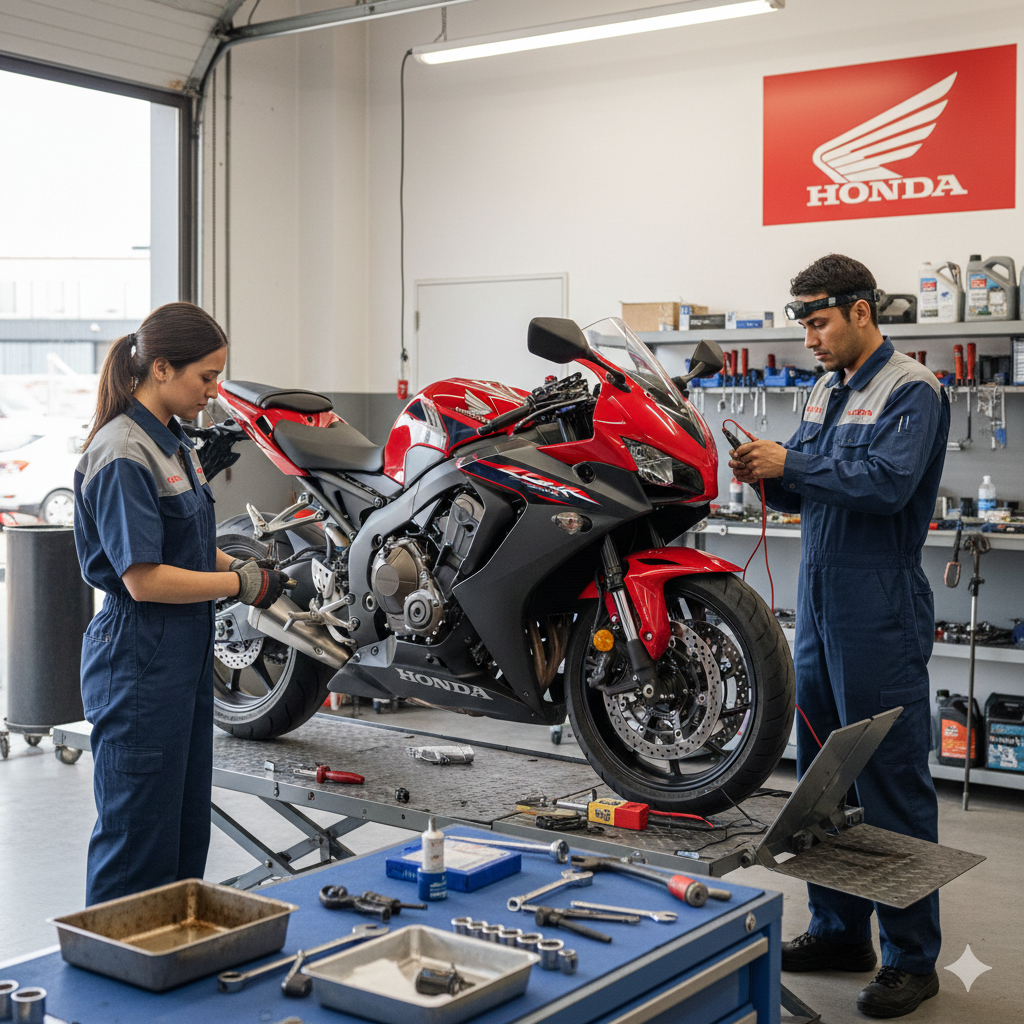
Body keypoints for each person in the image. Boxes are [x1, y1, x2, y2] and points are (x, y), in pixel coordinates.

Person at [729, 254, 950, 1019]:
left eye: (820, 322)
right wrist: (765, 471)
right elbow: (807, 481)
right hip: (818, 601)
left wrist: (796, 462)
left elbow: (888, 485)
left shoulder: (912, 390)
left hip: (879, 607)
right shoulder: (825, 389)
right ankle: (838, 930)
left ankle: (912, 959)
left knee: (890, 784)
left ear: (862, 311)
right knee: (823, 780)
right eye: (803, 325)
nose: (811, 341)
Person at [74, 302, 290, 906]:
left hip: (182, 659)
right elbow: (144, 578)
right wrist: (236, 588)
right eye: (206, 378)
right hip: (137, 661)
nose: (214, 393)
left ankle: (170, 976)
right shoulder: (122, 453)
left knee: (184, 837)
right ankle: (113, 983)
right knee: (137, 844)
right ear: (162, 369)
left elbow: (190, 546)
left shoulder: (173, 444)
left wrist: (247, 570)